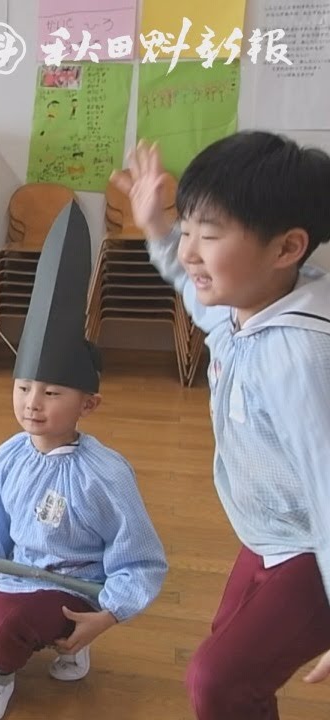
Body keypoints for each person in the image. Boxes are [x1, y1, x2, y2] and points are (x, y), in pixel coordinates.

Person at [0, 203, 167, 720]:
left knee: (8, 622)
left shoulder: (106, 472)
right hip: (13, 584)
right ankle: (13, 638)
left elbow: (141, 558)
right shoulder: (6, 458)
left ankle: (3, 671)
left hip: (70, 590)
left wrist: (110, 612)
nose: (33, 403)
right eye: (23, 387)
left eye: (53, 391)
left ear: (88, 403)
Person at [119, 136, 330, 719]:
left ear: (287, 247)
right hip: (265, 533)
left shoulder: (297, 356)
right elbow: (188, 283)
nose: (189, 251)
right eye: (188, 229)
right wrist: (157, 225)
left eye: (208, 235)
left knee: (218, 679)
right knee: (228, 656)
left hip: (311, 547)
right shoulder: (246, 302)